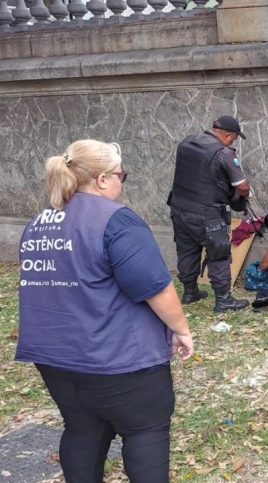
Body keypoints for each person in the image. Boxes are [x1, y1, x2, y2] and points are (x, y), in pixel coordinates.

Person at [16, 140, 194, 483]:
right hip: (118, 360)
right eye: (120, 175)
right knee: (145, 431)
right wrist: (182, 329)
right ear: (101, 179)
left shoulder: (38, 223)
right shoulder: (116, 221)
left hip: (55, 359)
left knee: (83, 430)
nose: (120, 182)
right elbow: (155, 288)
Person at [169, 115, 250, 312]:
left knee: (186, 249)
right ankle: (223, 300)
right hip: (208, 214)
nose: (233, 142)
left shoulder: (186, 143)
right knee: (219, 254)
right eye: (234, 138)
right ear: (227, 135)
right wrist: (241, 197)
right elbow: (242, 186)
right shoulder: (224, 154)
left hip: (179, 209)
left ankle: (190, 292)